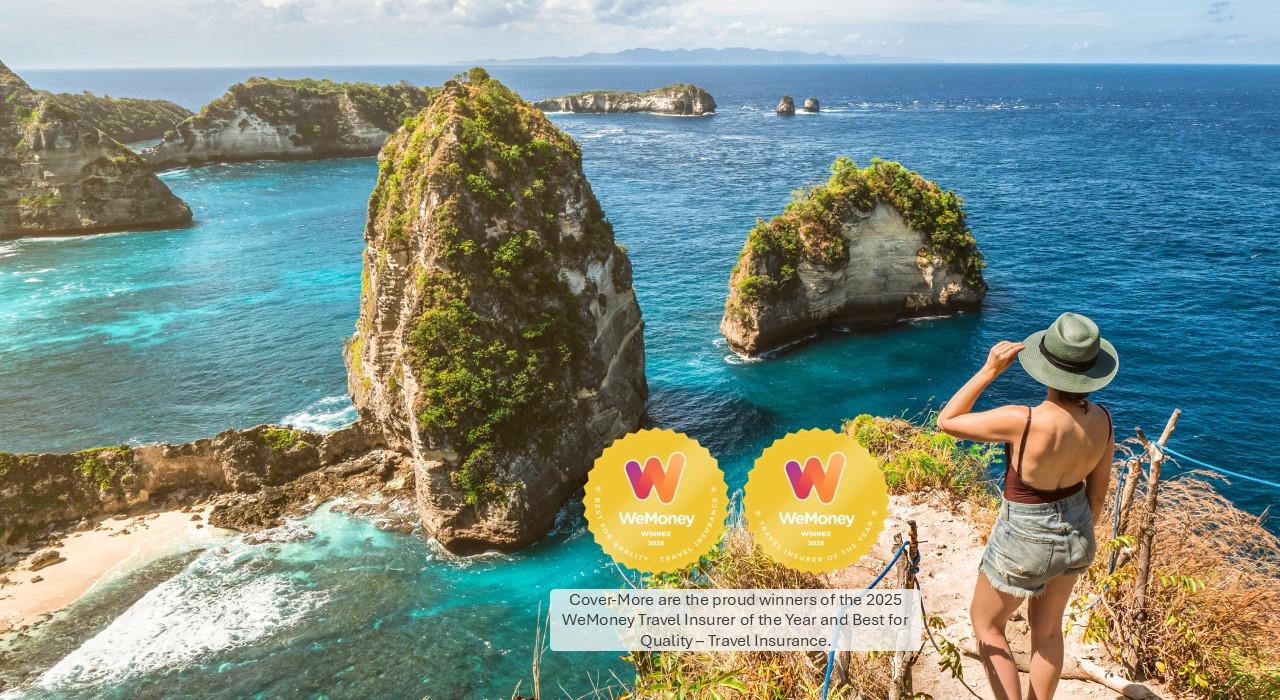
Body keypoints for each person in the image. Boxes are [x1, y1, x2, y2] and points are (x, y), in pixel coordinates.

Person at [936, 312, 1119, 700]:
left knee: (986, 624)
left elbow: (947, 420)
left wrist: (990, 370)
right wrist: (1078, 535)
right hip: (1079, 533)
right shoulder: (1103, 420)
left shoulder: (1023, 420)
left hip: (1024, 538)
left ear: (1045, 365)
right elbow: (1098, 493)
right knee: (1048, 632)